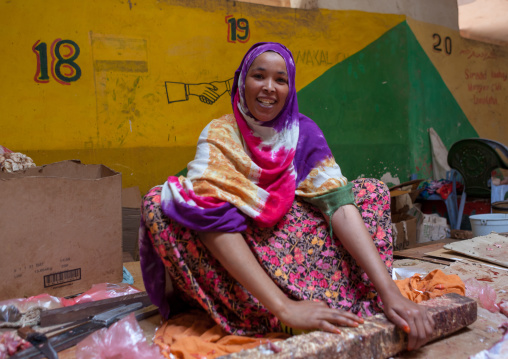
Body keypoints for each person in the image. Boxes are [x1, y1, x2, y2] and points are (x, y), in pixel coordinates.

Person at [139, 42, 434, 351]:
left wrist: (389, 292)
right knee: (161, 204)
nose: (269, 88)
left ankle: (333, 297)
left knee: (369, 192)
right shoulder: (220, 134)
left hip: (282, 246)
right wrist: (284, 307)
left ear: (290, 88)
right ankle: (264, 310)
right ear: (242, 82)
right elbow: (210, 218)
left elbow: (337, 204)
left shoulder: (301, 132)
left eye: (280, 80)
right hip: (241, 261)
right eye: (259, 76)